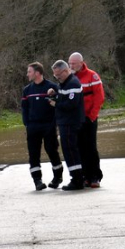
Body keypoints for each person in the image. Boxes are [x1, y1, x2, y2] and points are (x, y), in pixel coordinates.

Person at [21, 62, 63, 190]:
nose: (27, 74)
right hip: (33, 126)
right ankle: (37, 180)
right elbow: (24, 109)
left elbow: (60, 103)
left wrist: (55, 95)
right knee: (33, 154)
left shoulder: (52, 87)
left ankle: (57, 177)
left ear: (37, 73)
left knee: (51, 150)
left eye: (29, 72)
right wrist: (27, 124)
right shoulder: (27, 90)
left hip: (49, 125)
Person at [68, 52, 104, 188]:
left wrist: (92, 116)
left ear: (81, 62)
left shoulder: (92, 76)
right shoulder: (69, 78)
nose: (71, 66)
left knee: (91, 148)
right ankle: (83, 176)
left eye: (74, 63)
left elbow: (99, 97)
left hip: (89, 118)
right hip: (75, 119)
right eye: (70, 63)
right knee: (78, 148)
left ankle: (95, 176)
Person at [48, 60, 85, 191]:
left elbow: (71, 104)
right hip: (65, 122)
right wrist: (55, 92)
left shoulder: (73, 83)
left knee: (70, 150)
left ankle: (77, 180)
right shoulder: (64, 83)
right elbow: (63, 95)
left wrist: (55, 104)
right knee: (69, 150)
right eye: (55, 76)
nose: (57, 78)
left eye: (58, 75)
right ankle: (77, 178)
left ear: (65, 71)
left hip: (70, 122)